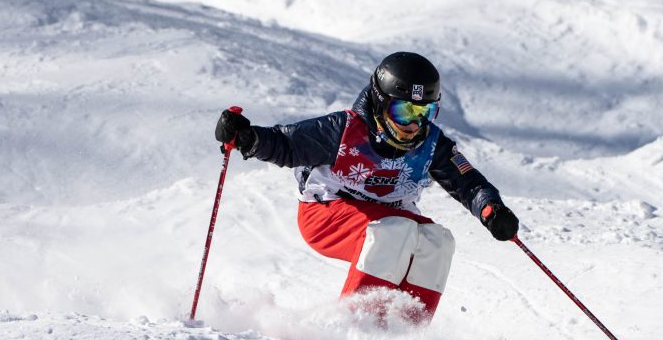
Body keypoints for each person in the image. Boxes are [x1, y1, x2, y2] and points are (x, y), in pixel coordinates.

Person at [214, 51, 519, 323]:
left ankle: (403, 336)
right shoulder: (342, 130)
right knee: (392, 232)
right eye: (404, 112)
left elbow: (468, 182)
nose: (413, 125)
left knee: (436, 242)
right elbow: (285, 143)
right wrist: (246, 137)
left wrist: (490, 208)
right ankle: (352, 326)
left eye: (423, 113)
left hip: (391, 217)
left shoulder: (432, 143)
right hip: (327, 212)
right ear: (380, 103)